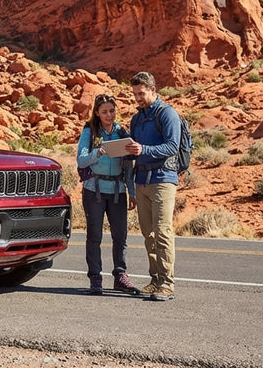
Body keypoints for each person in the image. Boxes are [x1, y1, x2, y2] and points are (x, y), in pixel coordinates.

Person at [124, 71, 183, 301]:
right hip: (142, 181)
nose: (137, 98)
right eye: (135, 94)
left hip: (163, 180)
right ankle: (155, 279)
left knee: (163, 231)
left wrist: (144, 150)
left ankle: (167, 284)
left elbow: (172, 146)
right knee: (148, 233)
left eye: (141, 93)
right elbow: (131, 152)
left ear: (153, 90)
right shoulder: (137, 119)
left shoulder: (167, 114)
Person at [76, 94, 139, 295]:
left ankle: (120, 276)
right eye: (104, 111)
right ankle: (95, 277)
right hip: (94, 190)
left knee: (120, 235)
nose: (109, 115)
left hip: (117, 191)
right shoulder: (90, 131)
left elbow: (128, 165)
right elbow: (81, 160)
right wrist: (98, 153)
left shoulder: (121, 132)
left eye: (112, 110)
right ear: (97, 113)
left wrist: (132, 191)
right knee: (94, 235)